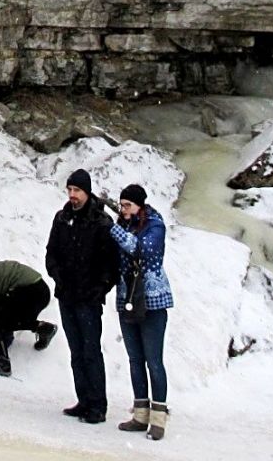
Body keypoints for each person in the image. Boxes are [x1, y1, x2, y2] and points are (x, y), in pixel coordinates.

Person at [45, 168, 119, 424]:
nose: (72, 195)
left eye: (77, 191)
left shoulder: (101, 222)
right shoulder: (62, 218)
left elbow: (111, 264)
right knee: (76, 351)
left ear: (87, 192)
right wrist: (56, 274)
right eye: (70, 190)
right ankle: (83, 399)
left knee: (91, 351)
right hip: (67, 295)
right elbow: (51, 252)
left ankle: (97, 404)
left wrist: (100, 289)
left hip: (88, 298)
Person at [111, 183, 174, 441]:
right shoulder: (123, 226)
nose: (124, 210)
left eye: (128, 206)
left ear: (140, 206)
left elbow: (142, 249)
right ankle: (140, 414)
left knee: (153, 361)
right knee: (135, 359)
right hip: (127, 299)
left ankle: (158, 417)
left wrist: (112, 229)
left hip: (152, 302)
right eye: (122, 205)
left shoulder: (155, 226)